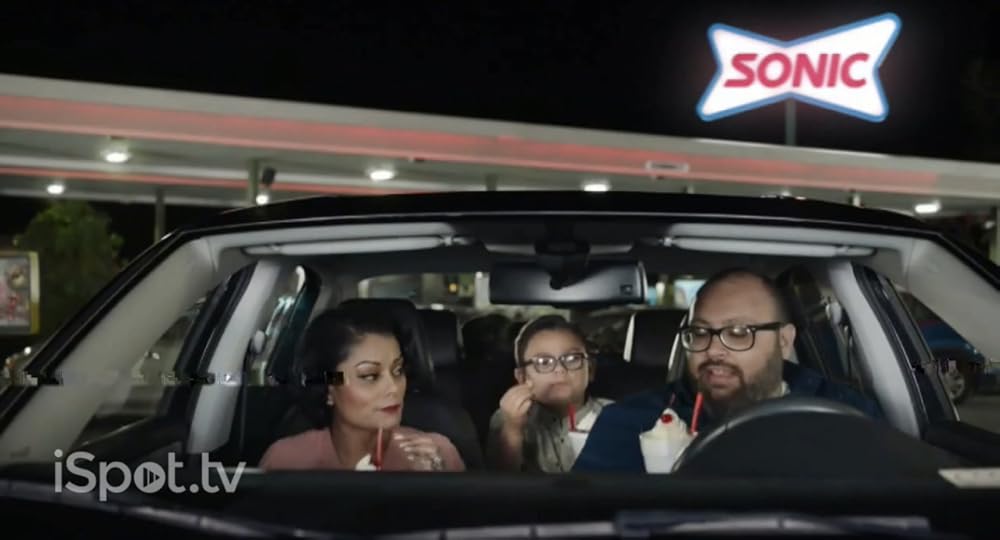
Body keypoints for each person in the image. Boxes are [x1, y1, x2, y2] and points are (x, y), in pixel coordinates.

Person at [573, 268, 882, 473]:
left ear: (784, 341)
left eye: (738, 332)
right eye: (700, 333)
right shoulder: (630, 423)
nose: (713, 350)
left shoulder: (846, 416)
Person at [260, 308, 465, 472]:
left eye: (398, 371)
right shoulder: (286, 460)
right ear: (329, 388)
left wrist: (433, 483)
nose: (394, 388)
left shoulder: (439, 453)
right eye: (369, 376)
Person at [487, 315, 612, 472]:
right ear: (522, 377)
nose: (560, 369)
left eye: (572, 358)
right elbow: (500, 481)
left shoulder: (616, 415)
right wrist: (513, 430)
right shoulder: (508, 417)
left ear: (590, 370)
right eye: (543, 362)